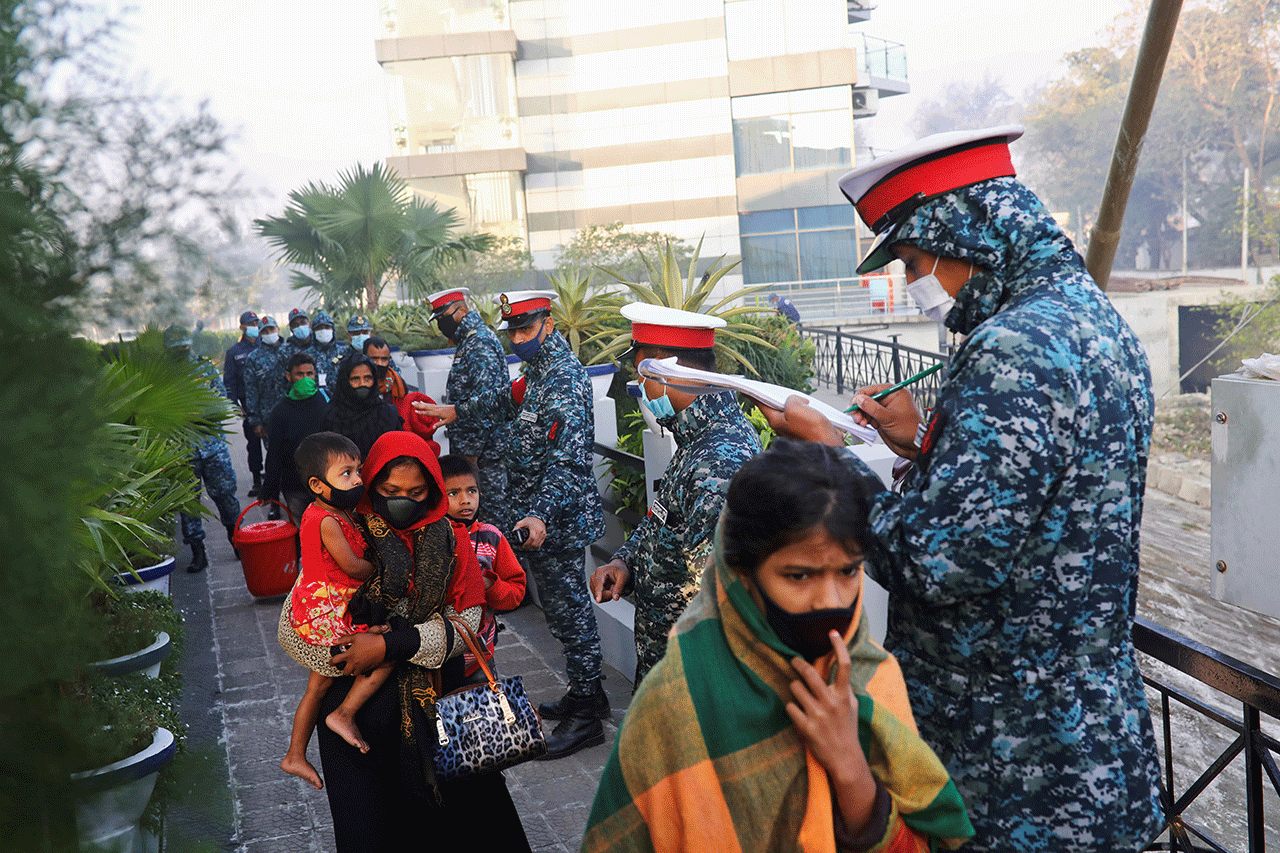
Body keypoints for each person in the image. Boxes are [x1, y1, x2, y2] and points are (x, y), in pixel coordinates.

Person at [763, 126, 1164, 851]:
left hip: (1016, 776)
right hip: (1089, 748)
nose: (920, 283)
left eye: (918, 260)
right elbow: (1047, 498)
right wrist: (920, 443)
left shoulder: (1012, 346)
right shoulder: (1095, 322)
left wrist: (831, 459)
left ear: (967, 234)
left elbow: (937, 561)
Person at [581, 439, 974, 853]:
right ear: (742, 575)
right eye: (799, 576)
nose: (831, 600)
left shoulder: (875, 681)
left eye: (848, 571)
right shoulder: (676, 703)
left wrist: (851, 768)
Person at [276, 431, 531, 853]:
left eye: (416, 492)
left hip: (440, 712)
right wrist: (341, 651)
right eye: (390, 490)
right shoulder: (341, 529)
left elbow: (465, 620)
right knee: (370, 834)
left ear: (432, 490)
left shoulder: (451, 541)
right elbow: (294, 626)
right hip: (354, 726)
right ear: (368, 482)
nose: (403, 501)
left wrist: (390, 645)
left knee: (467, 827)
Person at [416, 290, 607, 760]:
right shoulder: (538, 374)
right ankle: (587, 693)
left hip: (556, 516)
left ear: (549, 325)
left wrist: (539, 514)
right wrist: (455, 412)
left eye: (526, 329)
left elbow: (567, 462)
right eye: (513, 331)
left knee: (570, 612)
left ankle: (587, 713)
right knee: (561, 612)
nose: (518, 339)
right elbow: (505, 400)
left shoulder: (562, 380)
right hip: (539, 514)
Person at [589, 303, 760, 685]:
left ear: (666, 371)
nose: (640, 387)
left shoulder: (717, 462)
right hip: (665, 670)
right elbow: (666, 522)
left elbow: (720, 600)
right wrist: (624, 563)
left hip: (692, 684)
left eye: (642, 373)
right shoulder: (696, 437)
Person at [280, 431, 387, 789]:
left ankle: (295, 754)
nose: (357, 479)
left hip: (325, 600)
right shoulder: (326, 521)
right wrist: (382, 567)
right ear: (317, 484)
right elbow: (353, 567)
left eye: (358, 471)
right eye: (346, 473)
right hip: (330, 611)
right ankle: (344, 714)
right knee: (385, 651)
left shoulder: (334, 509)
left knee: (316, 688)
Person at [428, 287, 512, 531]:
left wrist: (471, 457)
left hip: (486, 459)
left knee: (492, 526)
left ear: (461, 310)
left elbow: (485, 404)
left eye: (443, 317)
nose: (441, 324)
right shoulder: (468, 341)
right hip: (478, 457)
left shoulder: (479, 344)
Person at [439, 453, 526, 679]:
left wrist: (489, 585)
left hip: (480, 656)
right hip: (438, 655)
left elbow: (516, 592)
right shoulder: (431, 537)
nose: (465, 500)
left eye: (472, 491)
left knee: (485, 708)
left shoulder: (492, 538)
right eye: (453, 493)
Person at [164, 324, 241, 573]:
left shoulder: (204, 367)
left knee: (226, 495)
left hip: (212, 446)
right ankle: (198, 551)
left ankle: (237, 539)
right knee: (188, 503)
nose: (181, 351)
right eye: (176, 348)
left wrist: (203, 413)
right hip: (182, 450)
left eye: (184, 346)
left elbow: (221, 399)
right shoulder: (163, 375)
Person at [263, 353, 330, 524]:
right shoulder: (280, 411)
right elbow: (274, 452)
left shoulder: (326, 402)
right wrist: (270, 488)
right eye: (300, 374)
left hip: (326, 481)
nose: (305, 378)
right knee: (302, 530)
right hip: (294, 484)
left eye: (310, 374)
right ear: (289, 376)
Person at [320, 354, 403, 460]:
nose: (362, 384)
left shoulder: (387, 414)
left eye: (368, 378)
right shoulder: (331, 416)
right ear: (345, 381)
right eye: (355, 379)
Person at [223, 310, 263, 496]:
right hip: (249, 405)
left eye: (256, 323)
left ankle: (274, 476)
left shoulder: (267, 345)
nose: (254, 327)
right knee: (253, 444)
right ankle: (257, 480)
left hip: (270, 401)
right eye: (250, 324)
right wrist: (234, 404)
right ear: (241, 327)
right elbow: (229, 381)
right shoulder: (234, 352)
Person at [243, 315, 286, 447]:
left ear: (278, 329)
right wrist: (256, 421)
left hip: (294, 414)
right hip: (269, 418)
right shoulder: (253, 358)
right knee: (276, 459)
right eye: (265, 331)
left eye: (271, 329)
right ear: (260, 335)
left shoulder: (290, 351)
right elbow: (251, 391)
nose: (269, 334)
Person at [310, 309, 351, 396]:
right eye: (319, 328)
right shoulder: (306, 355)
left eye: (327, 327)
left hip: (340, 401)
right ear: (313, 331)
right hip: (315, 402)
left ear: (333, 330)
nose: (323, 330)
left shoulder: (344, 353)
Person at [363, 336, 407, 406]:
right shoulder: (354, 384)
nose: (379, 363)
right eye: (374, 358)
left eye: (384, 359)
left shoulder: (397, 383)